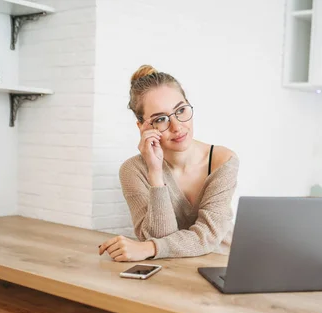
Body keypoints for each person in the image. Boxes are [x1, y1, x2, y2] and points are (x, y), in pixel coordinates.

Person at [98, 65, 239, 262]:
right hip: (169, 272)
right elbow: (157, 237)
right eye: (161, 119)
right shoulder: (133, 171)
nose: (177, 126)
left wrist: (149, 248)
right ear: (142, 126)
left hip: (222, 264)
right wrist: (155, 174)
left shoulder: (223, 161)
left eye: (180, 110)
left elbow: (208, 236)